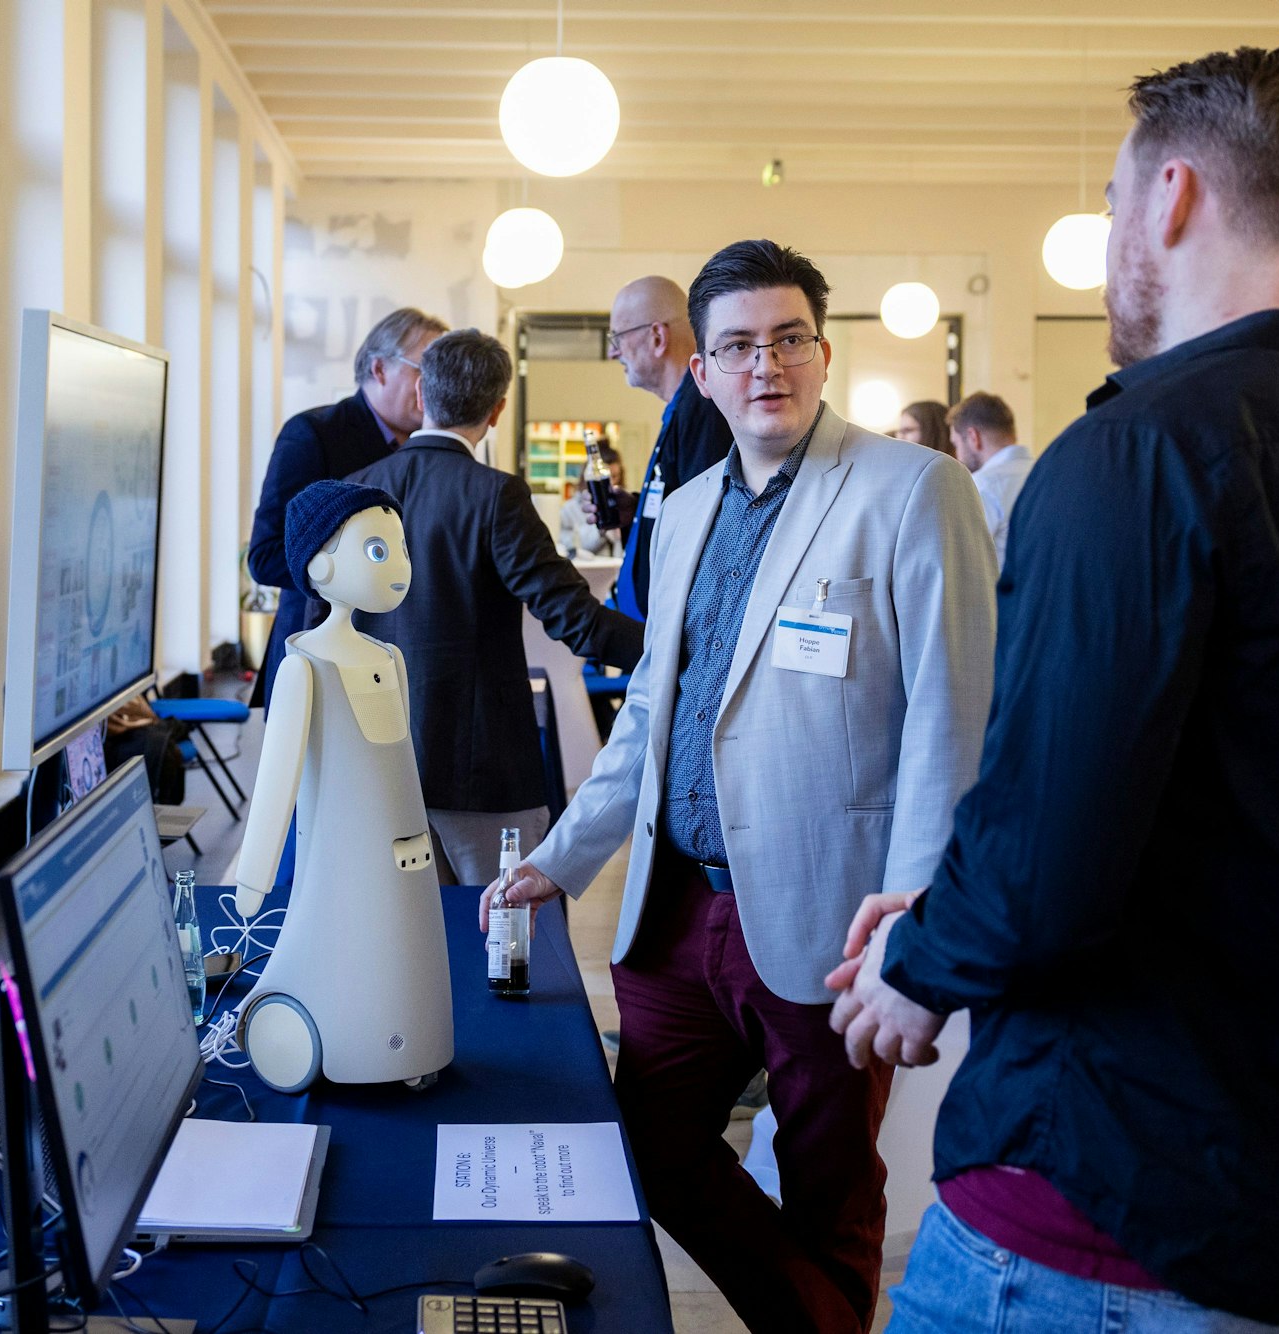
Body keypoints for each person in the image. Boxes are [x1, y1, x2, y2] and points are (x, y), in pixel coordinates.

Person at [829, 47, 1279, 1332]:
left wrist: (917, 960)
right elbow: (1248, 811)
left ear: (1172, 199)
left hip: (1104, 1211)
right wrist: (961, 905)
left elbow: (1047, 846)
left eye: (1119, 211)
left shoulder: (1134, 450)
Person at [487, 240, 997, 1333]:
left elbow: (949, 727)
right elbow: (652, 721)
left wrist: (909, 915)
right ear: (701, 370)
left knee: (831, 1188)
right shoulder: (685, 508)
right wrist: (560, 855)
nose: (763, 364)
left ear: (820, 351)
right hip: (673, 908)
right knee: (652, 1146)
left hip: (830, 909)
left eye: (786, 339)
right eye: (736, 346)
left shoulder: (912, 490)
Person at [351, 330, 643, 886]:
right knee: (504, 949)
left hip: (378, 770)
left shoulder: (358, 489)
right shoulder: (494, 495)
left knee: (409, 952)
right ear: (498, 408)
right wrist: (674, 652)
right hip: (481, 772)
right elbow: (573, 619)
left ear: (421, 396)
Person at [246, 306, 447, 702]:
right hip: (320, 666)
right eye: (424, 370)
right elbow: (266, 556)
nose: (433, 386)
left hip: (402, 664)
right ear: (379, 369)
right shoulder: (313, 435)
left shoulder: (434, 450)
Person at [597, 275, 736, 619]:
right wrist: (637, 511)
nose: (613, 351)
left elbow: (705, 534)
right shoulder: (685, 407)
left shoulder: (703, 408)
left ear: (657, 337)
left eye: (618, 337)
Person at [948, 392, 1032, 569]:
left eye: (956, 444)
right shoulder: (1044, 471)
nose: (957, 455)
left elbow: (963, 563)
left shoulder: (981, 485)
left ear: (973, 437)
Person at [558, 442, 624, 557]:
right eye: (605, 477)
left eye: (615, 476)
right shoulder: (570, 509)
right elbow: (569, 547)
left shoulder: (624, 505)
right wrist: (600, 529)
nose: (610, 483)